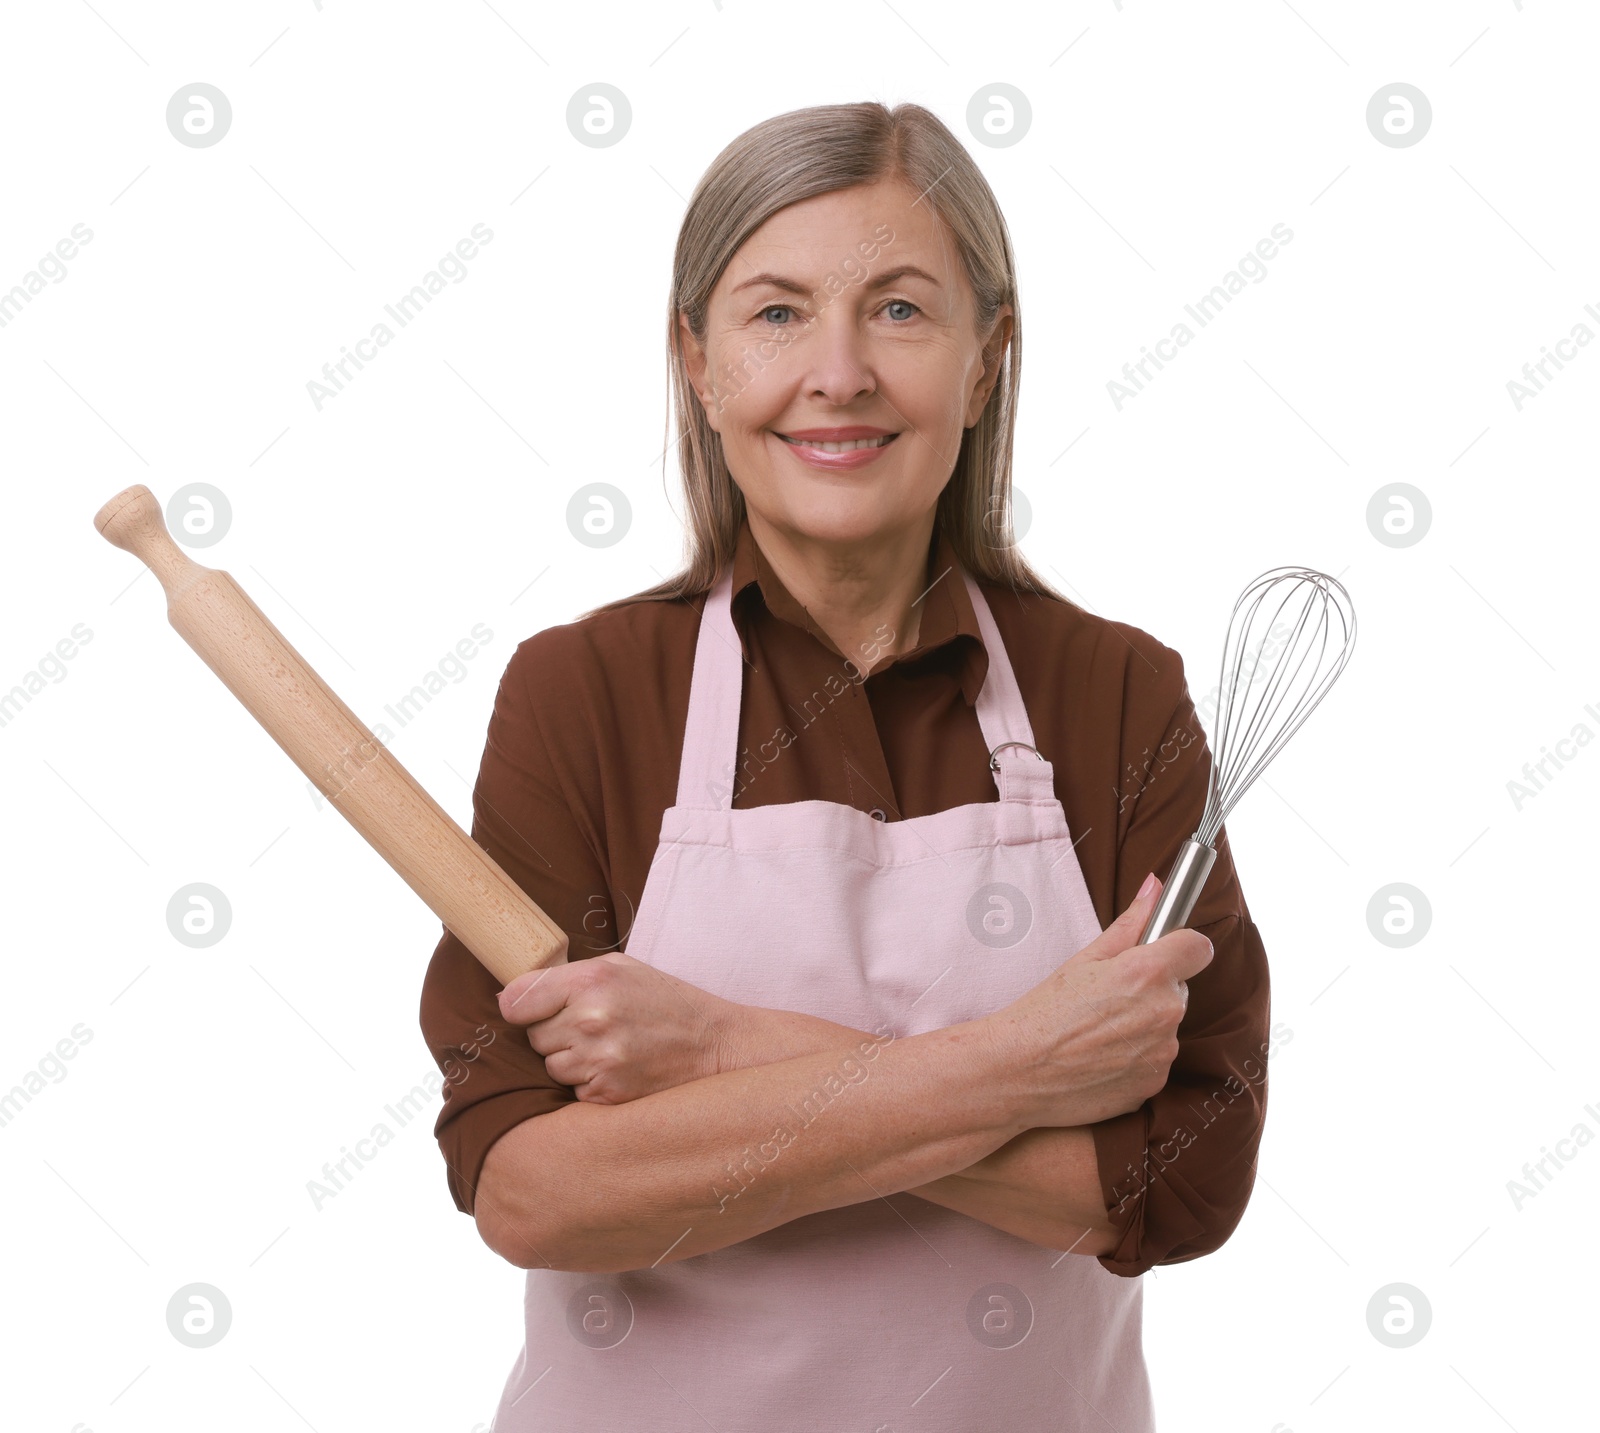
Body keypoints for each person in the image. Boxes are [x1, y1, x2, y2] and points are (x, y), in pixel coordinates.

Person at [420, 99, 1270, 1432]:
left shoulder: (1112, 692)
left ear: (986, 361)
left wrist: (716, 1047)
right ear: (696, 362)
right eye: (775, 313)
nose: (838, 374)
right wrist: (1025, 1068)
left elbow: (1179, 1185)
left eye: (899, 311)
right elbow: (536, 1192)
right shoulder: (582, 693)